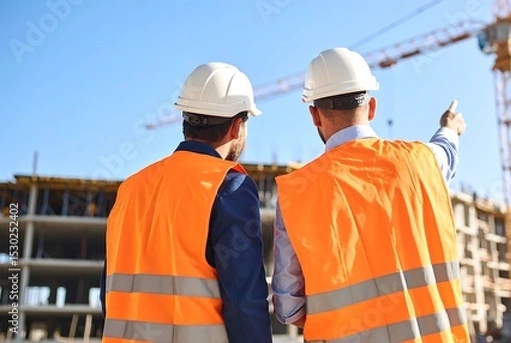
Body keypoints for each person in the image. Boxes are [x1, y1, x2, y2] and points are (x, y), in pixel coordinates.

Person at [272, 47, 470, 342]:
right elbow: (446, 153)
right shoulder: (421, 161)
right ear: (372, 107)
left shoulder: (296, 192)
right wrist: (450, 128)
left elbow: (289, 309)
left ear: (315, 115)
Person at [100, 62, 272, 343]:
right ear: (237, 126)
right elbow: (244, 303)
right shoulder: (229, 186)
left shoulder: (131, 188)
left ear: (185, 121)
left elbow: (108, 293)